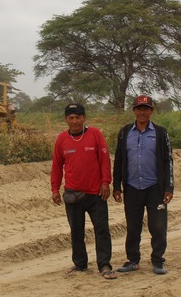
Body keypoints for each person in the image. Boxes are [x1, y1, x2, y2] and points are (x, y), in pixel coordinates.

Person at [50, 103, 117, 280]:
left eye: (78, 117)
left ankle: (104, 264)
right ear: (66, 119)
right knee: (76, 231)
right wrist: (55, 189)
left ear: (84, 118)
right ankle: (80, 264)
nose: (74, 121)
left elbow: (104, 160)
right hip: (73, 194)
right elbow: (57, 165)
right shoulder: (61, 139)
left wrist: (105, 182)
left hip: (96, 194)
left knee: (102, 229)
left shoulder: (95, 134)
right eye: (71, 118)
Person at [112, 95, 174, 275]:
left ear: (152, 111)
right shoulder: (124, 132)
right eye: (139, 108)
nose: (142, 112)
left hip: (155, 187)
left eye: (146, 108)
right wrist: (117, 186)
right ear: (133, 110)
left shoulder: (161, 133)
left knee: (158, 226)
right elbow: (119, 160)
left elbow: (168, 161)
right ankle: (133, 260)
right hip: (132, 187)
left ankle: (158, 261)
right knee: (132, 227)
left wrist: (169, 188)